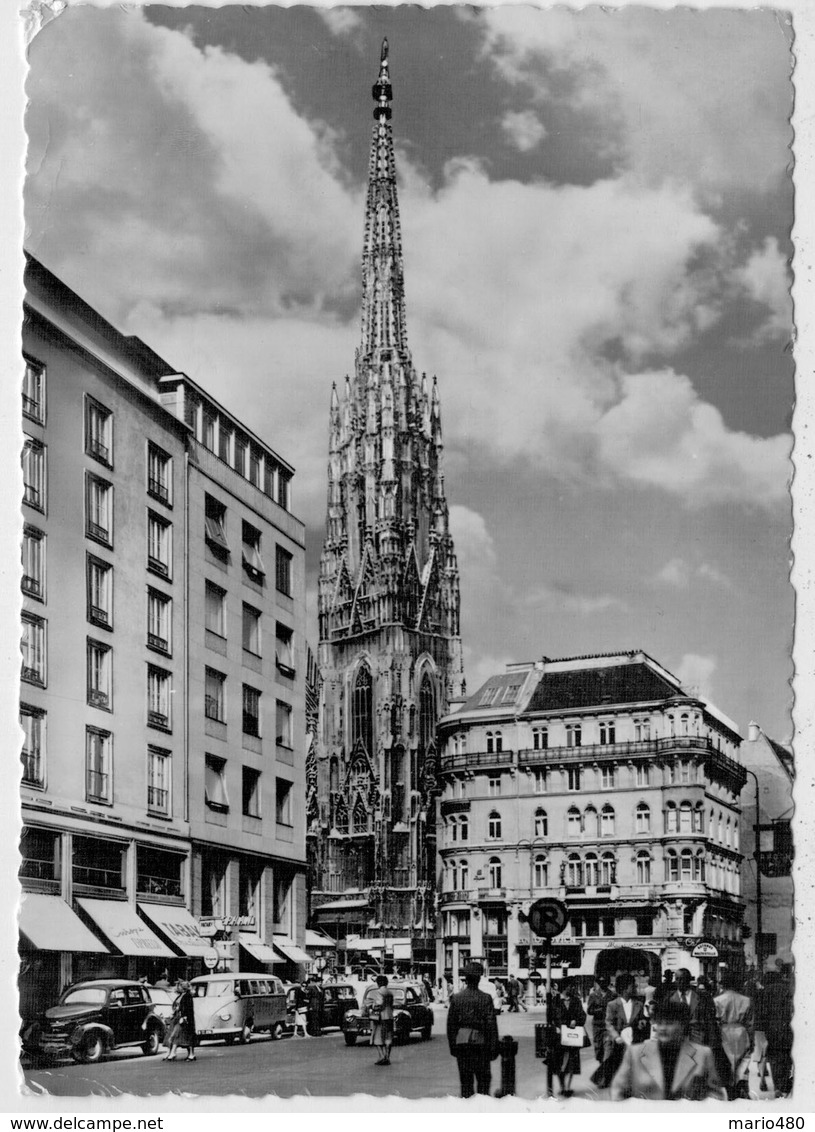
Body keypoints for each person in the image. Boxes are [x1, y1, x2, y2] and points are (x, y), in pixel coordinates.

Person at [611, 1000, 726, 1100]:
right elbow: (618, 1091)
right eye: (659, 1023)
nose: (662, 1028)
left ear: (683, 1026)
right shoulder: (635, 1053)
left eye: (669, 1023)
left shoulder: (703, 1054)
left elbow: (715, 1095)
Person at [446, 962, 500, 1098]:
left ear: (466, 979)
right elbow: (491, 1025)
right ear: (479, 979)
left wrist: (453, 1046)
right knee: (483, 1081)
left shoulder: (457, 998)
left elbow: (451, 1025)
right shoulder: (485, 998)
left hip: (462, 1044)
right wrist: (494, 1047)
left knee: (466, 1082)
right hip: (481, 1044)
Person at [597, 974, 647, 1087]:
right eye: (632, 985)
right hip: (617, 1036)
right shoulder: (612, 1005)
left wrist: (642, 1022)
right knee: (609, 1050)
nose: (635, 987)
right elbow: (608, 1024)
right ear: (624, 989)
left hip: (633, 1036)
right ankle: (605, 1077)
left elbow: (642, 1018)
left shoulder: (639, 1004)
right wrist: (616, 1036)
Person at [715, 971, 754, 1100]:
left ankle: (729, 1091)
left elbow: (715, 1021)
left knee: (726, 1065)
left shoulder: (717, 1000)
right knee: (741, 1064)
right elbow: (750, 1023)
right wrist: (752, 1040)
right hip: (741, 1032)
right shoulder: (746, 1000)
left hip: (724, 1032)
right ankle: (741, 1087)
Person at [549, 981, 588, 1098]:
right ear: (564, 988)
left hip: (572, 1035)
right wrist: (555, 1027)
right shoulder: (554, 1000)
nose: (572, 988)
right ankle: (562, 1086)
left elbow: (582, 1015)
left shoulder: (576, 1000)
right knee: (560, 1061)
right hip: (559, 1035)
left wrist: (577, 1021)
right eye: (570, 986)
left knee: (572, 1061)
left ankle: (567, 1087)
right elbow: (550, 1017)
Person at [762, 970, 793, 1097]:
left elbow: (762, 1012)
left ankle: (777, 1087)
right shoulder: (788, 990)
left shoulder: (765, 992)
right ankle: (785, 1084)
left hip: (771, 1030)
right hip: (787, 1028)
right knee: (786, 1057)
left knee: (774, 1059)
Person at [671, 968, 712, 1046]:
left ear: (689, 980)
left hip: (698, 1039)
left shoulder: (703, 997)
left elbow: (710, 1020)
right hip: (677, 1042)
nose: (680, 982)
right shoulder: (669, 998)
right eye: (677, 979)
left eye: (683, 979)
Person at [587, 976, 614, 1085]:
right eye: (601, 982)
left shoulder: (612, 995)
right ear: (598, 983)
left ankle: (605, 1077)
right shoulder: (593, 995)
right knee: (599, 1050)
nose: (603, 984)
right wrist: (598, 1010)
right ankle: (602, 1068)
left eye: (605, 982)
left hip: (607, 1026)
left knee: (608, 1049)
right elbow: (589, 1010)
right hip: (597, 1025)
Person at [163, 980, 197, 1062]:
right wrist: (174, 1013)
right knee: (179, 1036)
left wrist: (185, 1017)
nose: (177, 988)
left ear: (183, 988)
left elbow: (188, 1008)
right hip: (178, 1018)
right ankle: (173, 1053)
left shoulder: (188, 996)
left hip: (185, 1019)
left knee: (183, 1036)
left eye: (179, 987)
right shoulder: (181, 995)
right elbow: (177, 1006)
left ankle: (187, 1054)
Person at [367, 975, 394, 1066]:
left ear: (378, 983)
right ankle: (387, 1057)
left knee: (378, 1037)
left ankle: (381, 1056)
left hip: (381, 1017)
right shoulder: (390, 992)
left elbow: (379, 1003)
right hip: (389, 1016)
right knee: (388, 1037)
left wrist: (373, 1006)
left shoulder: (379, 992)